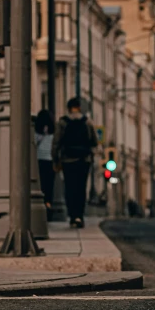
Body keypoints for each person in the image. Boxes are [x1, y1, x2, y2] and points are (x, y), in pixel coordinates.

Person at [52, 98, 98, 229]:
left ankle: (72, 216)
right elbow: (94, 141)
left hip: (68, 160)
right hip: (84, 160)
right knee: (81, 188)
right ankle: (80, 216)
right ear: (79, 107)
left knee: (70, 188)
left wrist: (55, 159)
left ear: (68, 108)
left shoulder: (62, 122)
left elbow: (56, 142)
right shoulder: (87, 122)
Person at [35, 109, 55, 220]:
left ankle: (42, 205)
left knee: (40, 185)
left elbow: (33, 144)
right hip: (50, 161)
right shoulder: (53, 133)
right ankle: (48, 204)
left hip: (38, 160)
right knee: (49, 185)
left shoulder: (36, 132)